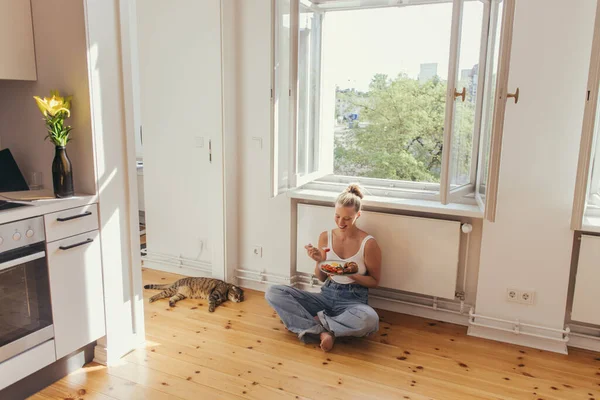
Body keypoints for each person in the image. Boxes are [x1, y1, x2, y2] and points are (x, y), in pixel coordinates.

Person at [265, 184, 382, 352]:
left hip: (353, 301)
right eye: (337, 216)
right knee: (273, 292)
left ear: (358, 215)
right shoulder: (325, 237)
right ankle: (324, 330)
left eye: (347, 218)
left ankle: (314, 324)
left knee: (370, 319)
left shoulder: (368, 244)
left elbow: (375, 281)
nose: (341, 222)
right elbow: (321, 278)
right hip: (326, 295)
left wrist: (350, 273)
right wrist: (319, 261)